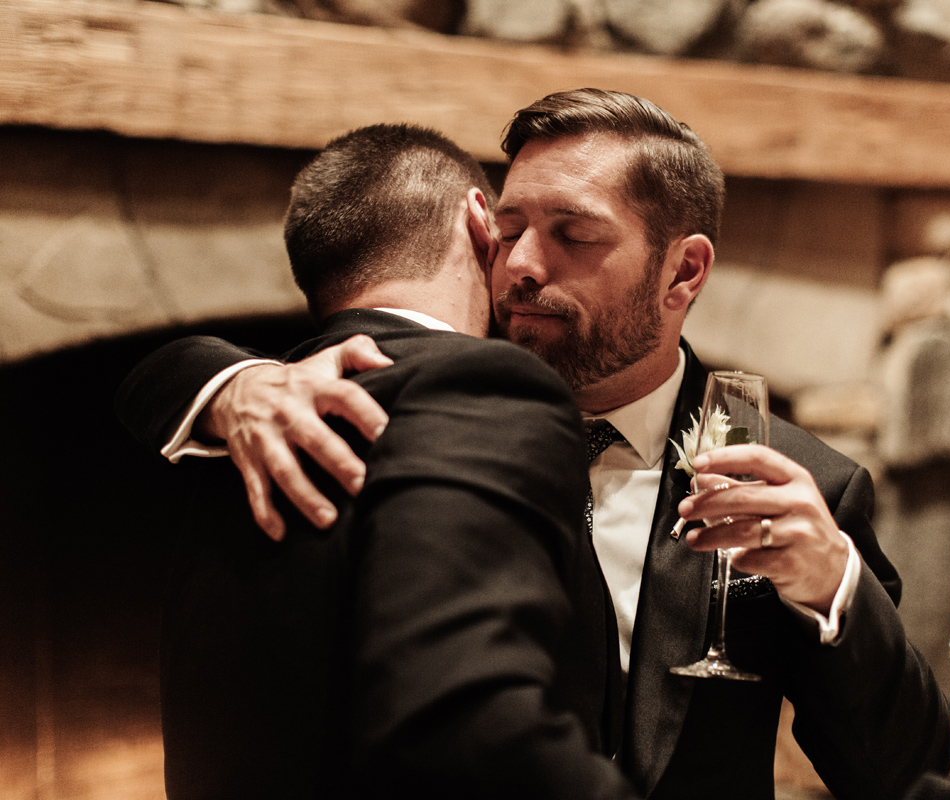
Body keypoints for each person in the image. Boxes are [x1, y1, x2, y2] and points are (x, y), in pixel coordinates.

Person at [117, 89, 950, 799]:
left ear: (684, 272)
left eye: (573, 236)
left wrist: (834, 587)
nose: (519, 264)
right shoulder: (398, 408)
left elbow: (909, 777)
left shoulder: (803, 483)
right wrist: (233, 383)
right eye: (507, 227)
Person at [121, 123, 638, 799]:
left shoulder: (240, 415)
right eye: (514, 230)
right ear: (479, 220)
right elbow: (470, 731)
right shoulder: (482, 383)